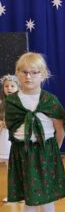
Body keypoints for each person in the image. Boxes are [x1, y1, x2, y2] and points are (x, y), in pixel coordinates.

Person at [5, 53, 65, 212]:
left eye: (34, 72)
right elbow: (13, 127)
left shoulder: (50, 101)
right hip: (21, 152)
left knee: (46, 200)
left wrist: (52, 153)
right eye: (24, 72)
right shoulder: (12, 102)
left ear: (44, 75)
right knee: (29, 200)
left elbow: (60, 130)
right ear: (17, 73)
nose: (29, 76)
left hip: (45, 152)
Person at [0, 74, 19, 202]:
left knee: (17, 166)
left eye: (12, 86)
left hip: (17, 136)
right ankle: (12, 194)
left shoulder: (20, 103)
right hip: (4, 137)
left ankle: (21, 193)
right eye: (6, 86)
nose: (9, 88)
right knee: (9, 167)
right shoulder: (2, 103)